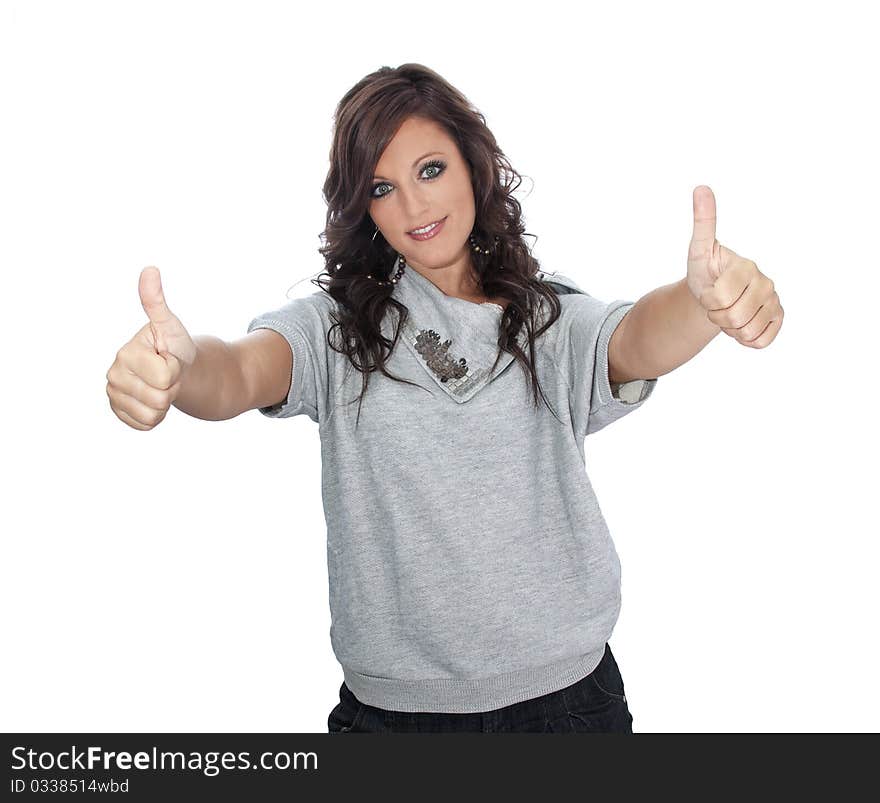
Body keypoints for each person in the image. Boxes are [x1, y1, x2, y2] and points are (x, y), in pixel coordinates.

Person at [106, 63, 679, 733]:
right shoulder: (337, 331)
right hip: (392, 717)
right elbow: (235, 372)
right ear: (365, 207)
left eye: (430, 170)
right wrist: (180, 367)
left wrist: (702, 303)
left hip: (567, 704)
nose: (414, 206)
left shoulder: (547, 320)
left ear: (473, 165)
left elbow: (635, 337)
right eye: (384, 187)